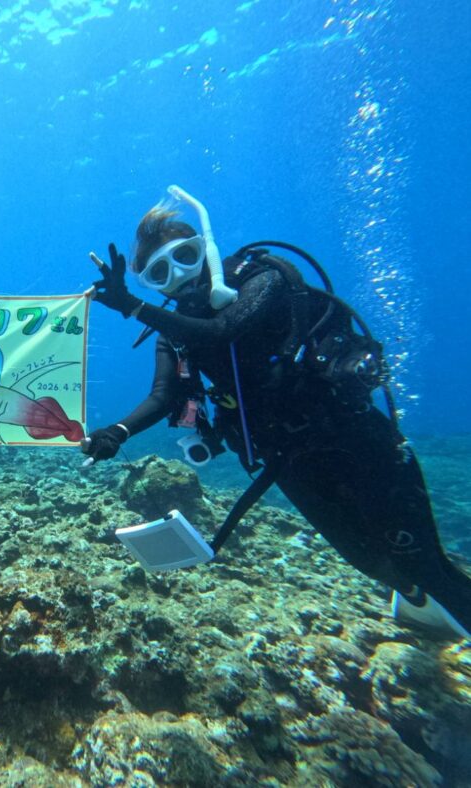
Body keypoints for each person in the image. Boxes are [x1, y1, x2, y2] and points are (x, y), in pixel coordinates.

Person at [83, 184, 471, 639]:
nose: (180, 275)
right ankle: (418, 605)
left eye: (185, 256)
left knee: (423, 561)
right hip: (285, 458)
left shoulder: (261, 277)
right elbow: (165, 394)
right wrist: (117, 432)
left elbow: (225, 330)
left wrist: (134, 306)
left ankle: (441, 596)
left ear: (206, 249)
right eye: (160, 272)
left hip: (353, 437)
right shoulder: (174, 332)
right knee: (369, 559)